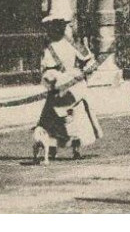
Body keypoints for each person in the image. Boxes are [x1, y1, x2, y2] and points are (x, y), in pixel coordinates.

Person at [33, 17, 95, 163]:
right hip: (57, 85)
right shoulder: (48, 48)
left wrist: (82, 72)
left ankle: (75, 149)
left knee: (75, 117)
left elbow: (90, 61)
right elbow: (46, 69)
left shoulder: (72, 44)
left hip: (72, 86)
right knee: (52, 117)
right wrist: (51, 78)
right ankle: (53, 149)